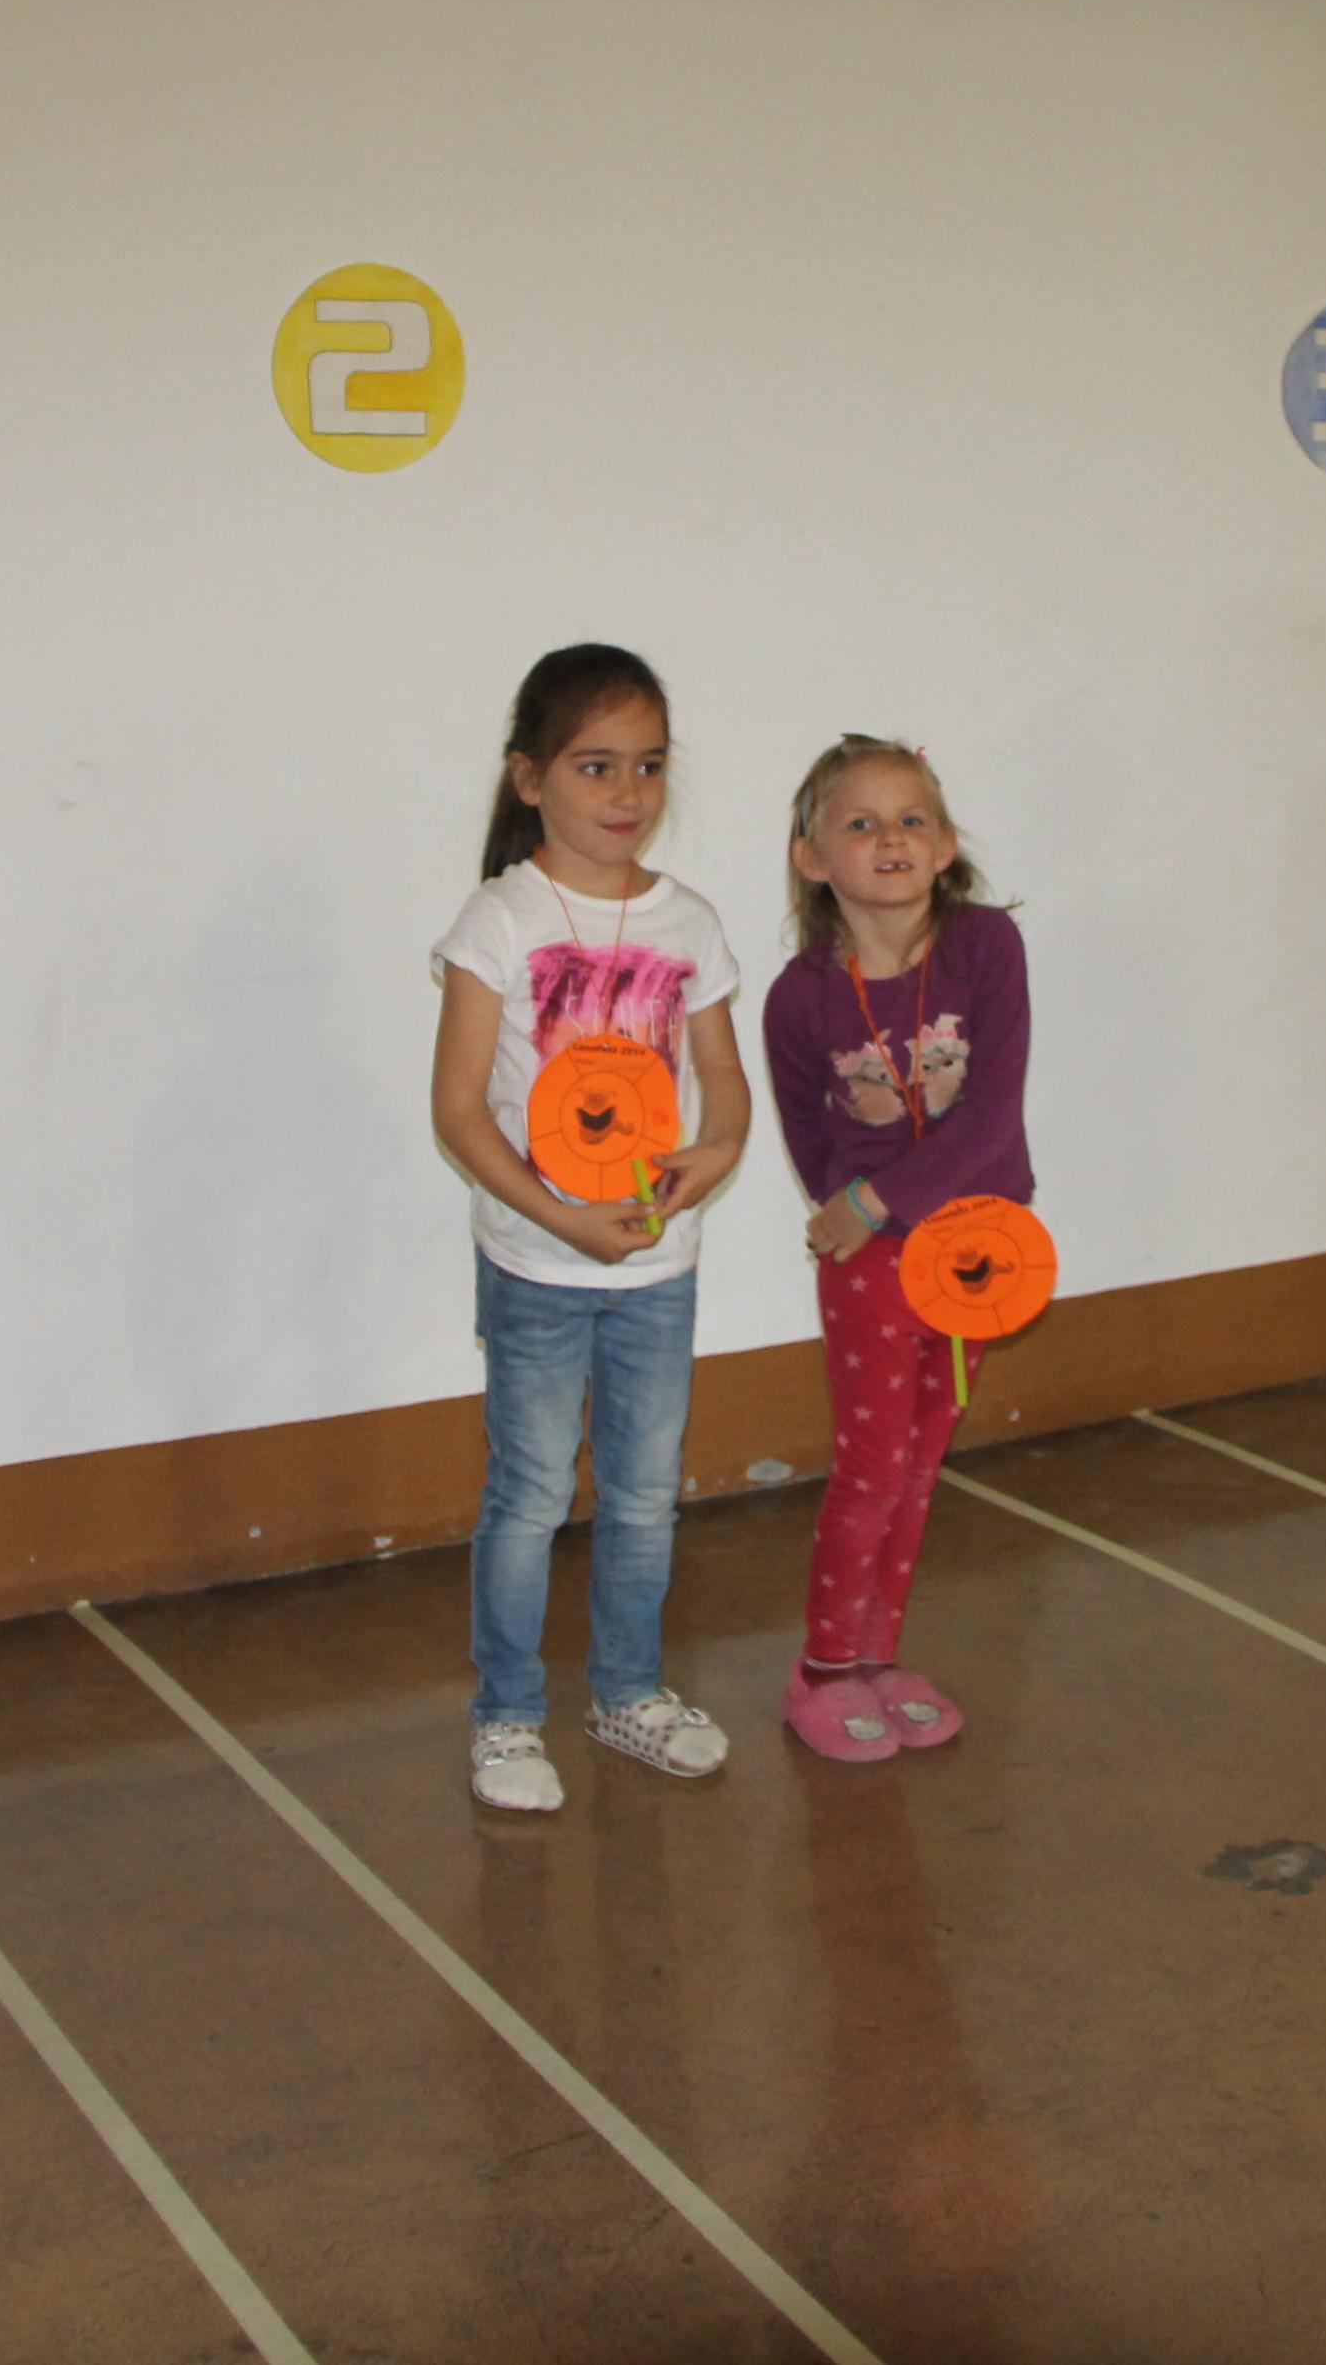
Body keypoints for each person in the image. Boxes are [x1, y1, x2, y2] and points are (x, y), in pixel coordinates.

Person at [429, 644, 751, 1811]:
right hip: (534, 1265)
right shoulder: (500, 918)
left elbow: (724, 1082)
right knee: (528, 1493)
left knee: (644, 1492)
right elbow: (459, 1111)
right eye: (595, 765)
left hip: (657, 1267)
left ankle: (627, 1693)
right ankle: (508, 1717)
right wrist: (559, 1218)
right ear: (530, 779)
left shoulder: (689, 922)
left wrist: (713, 1157)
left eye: (649, 766)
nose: (627, 793)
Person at [764, 735, 1032, 1760]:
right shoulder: (801, 996)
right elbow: (808, 1133)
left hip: (977, 1244)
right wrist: (855, 1212)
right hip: (871, 1257)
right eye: (862, 823)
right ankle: (825, 1668)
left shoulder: (986, 948)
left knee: (922, 1464)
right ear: (812, 858)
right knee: (872, 1467)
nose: (892, 840)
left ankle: (879, 1657)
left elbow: (992, 1113)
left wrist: (878, 1197)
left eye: (912, 819)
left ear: (947, 845)